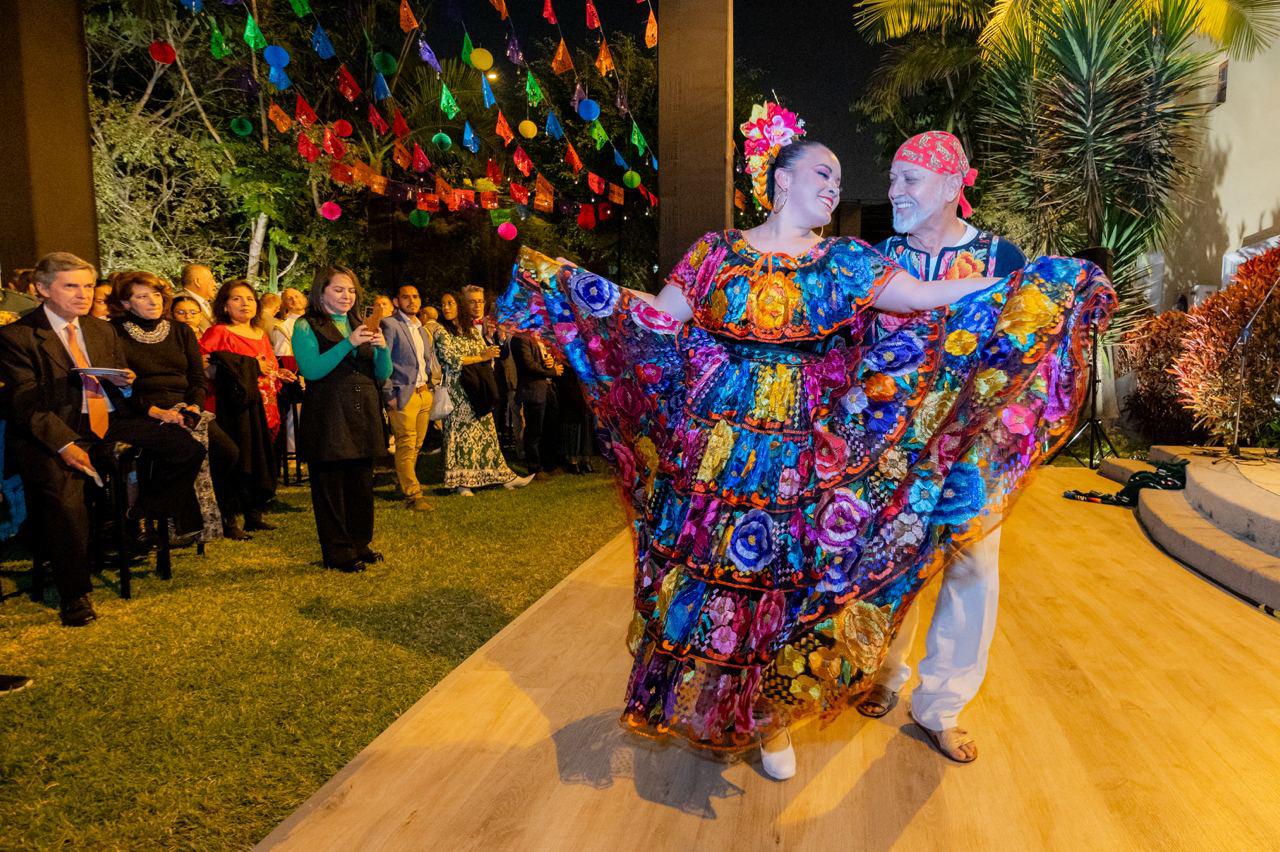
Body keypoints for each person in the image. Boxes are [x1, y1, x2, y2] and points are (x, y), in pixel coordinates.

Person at [498, 102, 1113, 780]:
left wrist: (1040, 283)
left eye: (841, 181)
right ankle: (715, 704)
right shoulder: (715, 252)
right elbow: (658, 317)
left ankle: (770, 721)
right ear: (781, 179)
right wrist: (574, 286)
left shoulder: (845, 261)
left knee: (782, 581)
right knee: (713, 578)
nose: (837, 188)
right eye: (824, 174)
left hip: (799, 445)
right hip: (717, 449)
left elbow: (920, 299)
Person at [854, 131, 1029, 763]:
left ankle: (941, 708)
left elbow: (1023, 350)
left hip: (973, 446)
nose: (894, 191)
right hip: (890, 446)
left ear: (953, 185)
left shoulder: (1000, 257)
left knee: (971, 569)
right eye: (892, 179)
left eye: (910, 179)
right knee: (888, 560)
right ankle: (883, 672)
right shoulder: (876, 258)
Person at [0, 252, 205, 626]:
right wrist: (65, 445)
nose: (83, 294)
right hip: (52, 429)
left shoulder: (100, 330)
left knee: (186, 448)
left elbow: (121, 390)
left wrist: (125, 385)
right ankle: (75, 593)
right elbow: (24, 405)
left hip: (108, 420)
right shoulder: (18, 336)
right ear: (42, 288)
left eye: (88, 286)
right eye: (71, 286)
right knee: (66, 497)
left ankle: (140, 512)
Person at [110, 270, 241, 541]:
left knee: (227, 451)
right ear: (125, 303)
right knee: (176, 450)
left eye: (156, 295)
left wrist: (194, 406)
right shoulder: (114, 333)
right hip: (141, 408)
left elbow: (197, 378)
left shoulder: (181, 330)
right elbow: (117, 385)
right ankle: (153, 517)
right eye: (142, 297)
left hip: (184, 405)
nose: (153, 301)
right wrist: (154, 411)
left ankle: (172, 510)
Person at [293, 267, 392, 573]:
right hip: (329, 414)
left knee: (360, 482)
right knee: (331, 485)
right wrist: (348, 343)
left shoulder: (359, 322)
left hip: (362, 411)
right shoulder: (306, 325)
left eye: (350, 290)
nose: (346, 296)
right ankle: (338, 551)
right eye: (338, 290)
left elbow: (382, 373)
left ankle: (360, 542)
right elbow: (311, 370)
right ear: (321, 292)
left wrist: (382, 350)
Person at [201, 280, 292, 534]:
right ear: (225, 306)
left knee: (260, 458)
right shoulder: (219, 332)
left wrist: (278, 373)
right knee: (236, 459)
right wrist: (245, 367)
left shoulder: (260, 333)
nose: (245, 304)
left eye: (250, 298)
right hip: (234, 409)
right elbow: (204, 366)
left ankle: (254, 514)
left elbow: (268, 365)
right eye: (237, 299)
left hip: (264, 406)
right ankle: (229, 518)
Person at [434, 291, 533, 495]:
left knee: (487, 434)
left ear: (459, 305)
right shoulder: (441, 332)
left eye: (450, 303)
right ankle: (462, 483)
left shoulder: (470, 330)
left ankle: (504, 477)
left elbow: (484, 352)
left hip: (478, 389)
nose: (446, 308)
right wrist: (481, 356)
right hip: (458, 391)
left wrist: (489, 352)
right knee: (460, 436)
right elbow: (452, 359)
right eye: (443, 304)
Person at [381, 283, 442, 510]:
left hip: (423, 393)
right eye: (406, 297)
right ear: (396, 302)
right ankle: (414, 495)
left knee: (416, 445)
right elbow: (382, 361)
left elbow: (425, 361)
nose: (412, 301)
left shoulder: (421, 329)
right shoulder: (390, 324)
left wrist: (430, 388)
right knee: (406, 444)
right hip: (402, 395)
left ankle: (402, 483)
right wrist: (388, 393)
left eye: (415, 297)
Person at [511, 329, 563, 480]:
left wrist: (550, 362)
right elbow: (528, 365)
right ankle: (534, 467)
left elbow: (542, 360)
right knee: (534, 431)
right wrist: (552, 372)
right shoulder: (520, 339)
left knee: (549, 428)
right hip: (532, 390)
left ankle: (549, 464)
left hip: (547, 389)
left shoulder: (539, 337)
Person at [179, 263, 218, 332]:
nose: (215, 284)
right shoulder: (179, 301)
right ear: (197, 282)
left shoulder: (211, 303)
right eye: (211, 279)